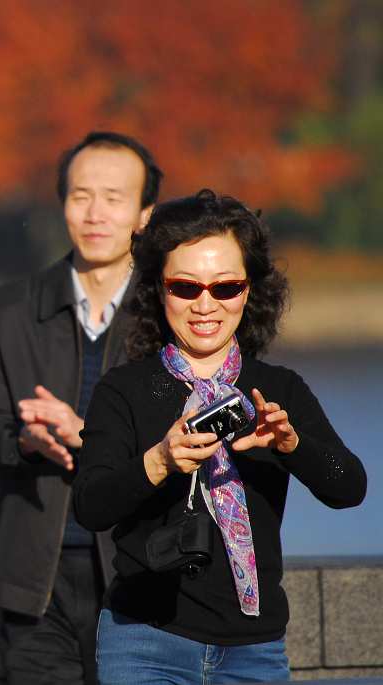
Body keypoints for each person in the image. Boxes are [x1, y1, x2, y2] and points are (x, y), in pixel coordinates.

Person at [73, 190, 367, 684]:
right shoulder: (122, 389)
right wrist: (161, 461)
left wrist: (293, 446)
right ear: (158, 291)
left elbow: (348, 486)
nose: (205, 305)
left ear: (249, 291)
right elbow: (91, 505)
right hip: (144, 641)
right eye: (186, 288)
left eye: (226, 287)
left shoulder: (279, 389)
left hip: (256, 649)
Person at [0, 131, 163, 684]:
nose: (95, 214)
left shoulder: (170, 313)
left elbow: (189, 438)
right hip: (34, 585)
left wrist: (87, 434)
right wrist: (23, 441)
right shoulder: (6, 311)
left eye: (115, 199)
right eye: (80, 196)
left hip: (140, 574)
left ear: (145, 213)